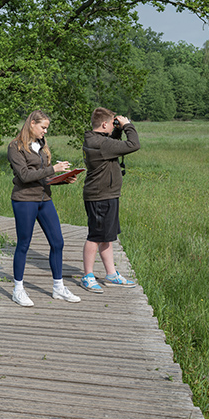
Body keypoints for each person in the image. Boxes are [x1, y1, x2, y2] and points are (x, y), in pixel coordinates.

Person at [8, 110, 81, 307]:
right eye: (43, 127)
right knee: (24, 244)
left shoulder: (41, 146)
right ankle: (18, 290)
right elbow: (24, 176)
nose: (45, 131)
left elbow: (43, 177)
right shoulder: (15, 147)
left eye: (47, 128)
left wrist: (63, 179)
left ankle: (58, 288)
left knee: (58, 242)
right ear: (32, 123)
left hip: (44, 199)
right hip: (24, 200)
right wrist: (53, 169)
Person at [79, 107, 141, 293]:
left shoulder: (96, 139)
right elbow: (133, 145)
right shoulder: (101, 144)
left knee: (107, 236)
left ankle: (111, 274)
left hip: (106, 194)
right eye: (112, 122)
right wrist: (128, 126)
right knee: (96, 236)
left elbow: (111, 143)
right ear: (105, 124)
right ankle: (88, 275)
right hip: (100, 196)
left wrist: (118, 129)